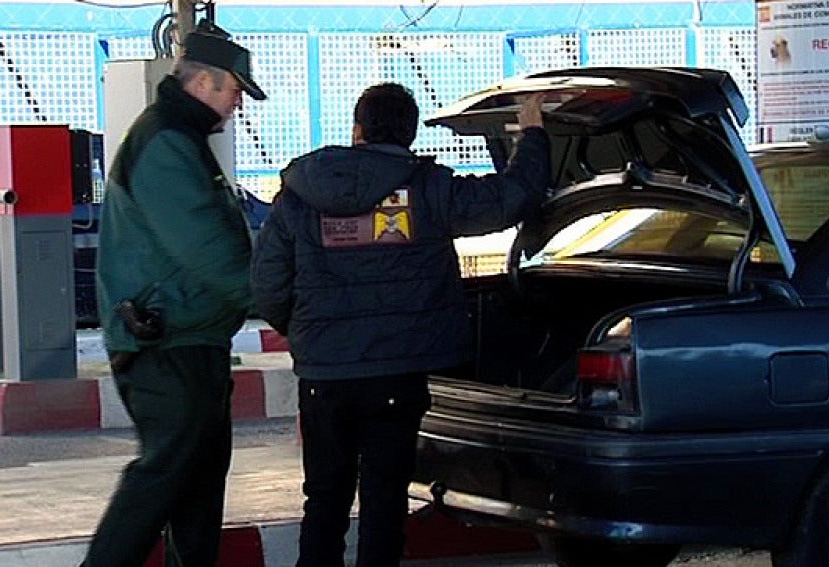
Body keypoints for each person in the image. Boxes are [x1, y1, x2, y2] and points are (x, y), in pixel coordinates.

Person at [251, 82, 550, 567]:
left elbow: (267, 283)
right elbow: (510, 197)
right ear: (409, 135)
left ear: (357, 129)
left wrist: (311, 334)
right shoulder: (429, 189)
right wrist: (532, 137)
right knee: (384, 499)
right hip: (398, 374)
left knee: (324, 498)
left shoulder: (302, 193)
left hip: (325, 376)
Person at [81, 21, 266, 567]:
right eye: (235, 89)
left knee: (197, 487)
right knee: (162, 478)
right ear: (205, 82)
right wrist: (275, 302)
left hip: (192, 336)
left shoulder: (180, 138)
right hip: (167, 342)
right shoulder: (164, 141)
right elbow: (207, 247)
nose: (237, 103)